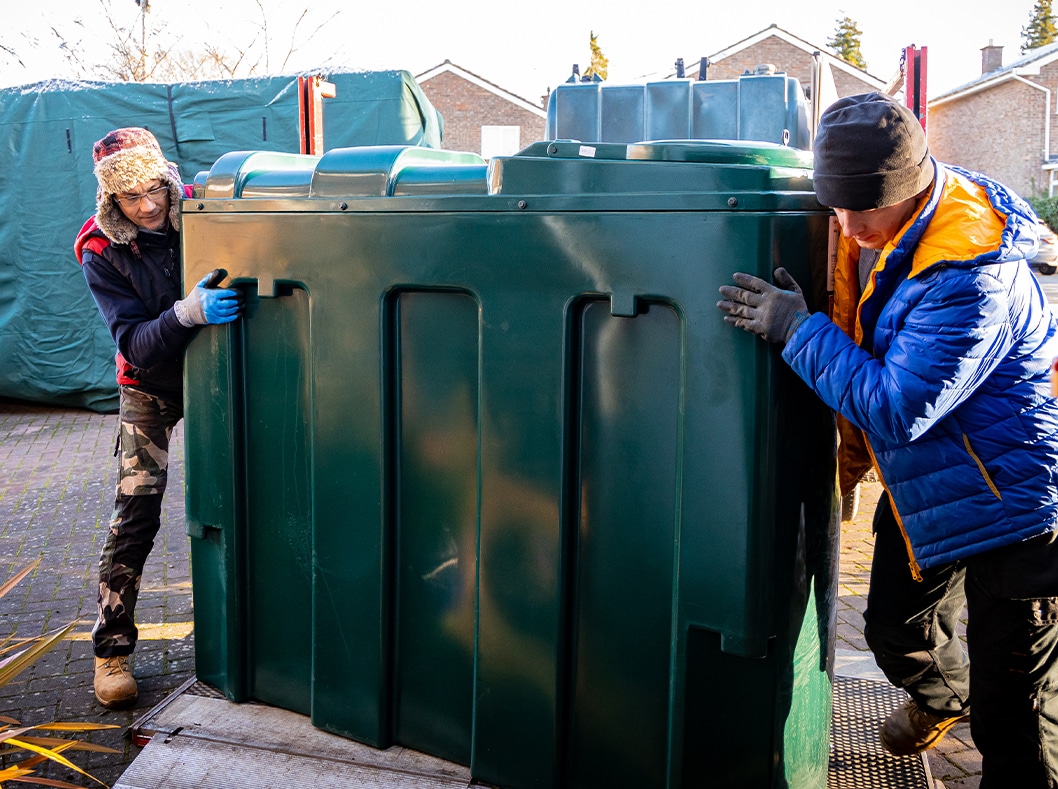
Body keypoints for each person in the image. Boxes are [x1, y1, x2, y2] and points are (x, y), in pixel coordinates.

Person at [717, 92, 1058, 785]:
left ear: (907, 188)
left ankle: (987, 717)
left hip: (1017, 509)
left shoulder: (971, 271)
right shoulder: (884, 226)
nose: (844, 225)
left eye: (859, 209)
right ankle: (945, 697)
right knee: (894, 631)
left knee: (1016, 716)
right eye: (833, 207)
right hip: (928, 486)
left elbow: (898, 405)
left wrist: (796, 329)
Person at [74, 127, 243, 709]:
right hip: (151, 386)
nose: (147, 207)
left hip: (221, 375)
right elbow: (135, 345)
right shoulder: (100, 249)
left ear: (168, 180)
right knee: (136, 514)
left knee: (250, 491)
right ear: (109, 201)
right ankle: (111, 650)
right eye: (129, 198)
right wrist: (187, 313)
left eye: (154, 190)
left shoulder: (202, 205)